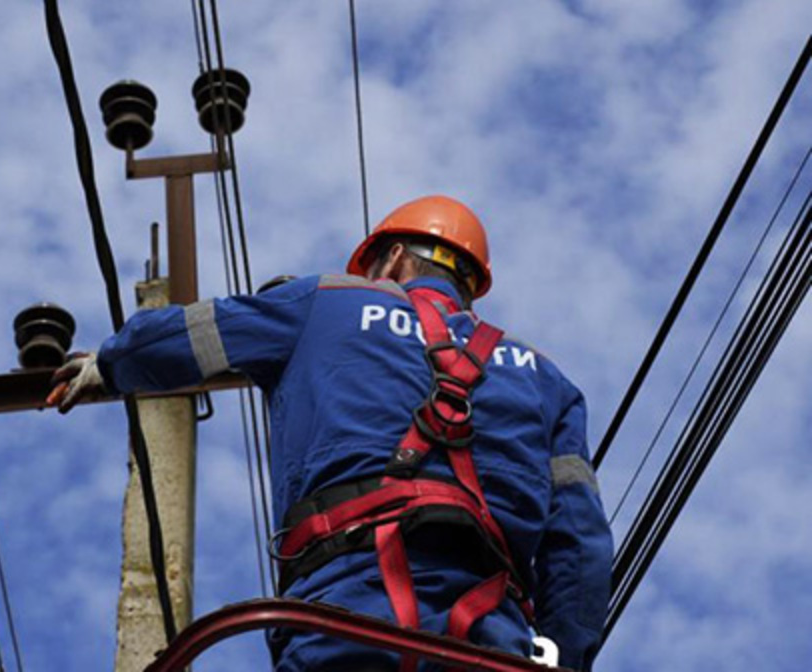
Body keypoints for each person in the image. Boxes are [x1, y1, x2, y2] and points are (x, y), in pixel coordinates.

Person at [48, 195, 612, 671]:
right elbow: (579, 548)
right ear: (468, 282)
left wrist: (112, 362)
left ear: (392, 258)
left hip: (346, 617)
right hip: (489, 641)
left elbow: (184, 339)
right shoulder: (547, 380)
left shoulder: (328, 302)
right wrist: (564, 658)